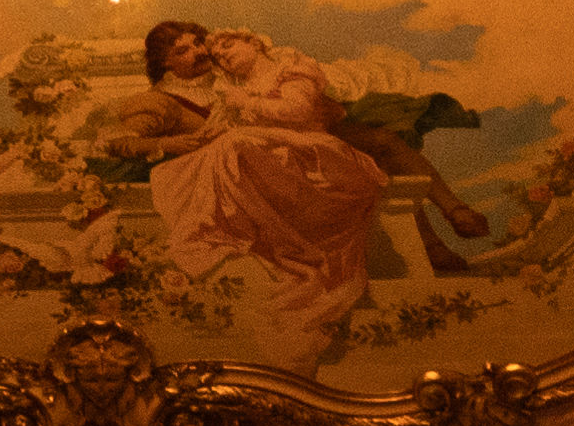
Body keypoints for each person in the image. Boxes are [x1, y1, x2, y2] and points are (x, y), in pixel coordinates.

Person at [129, 19, 398, 351]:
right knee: (190, 165)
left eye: (225, 47)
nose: (216, 55)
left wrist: (242, 103)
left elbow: (297, 110)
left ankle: (262, 239)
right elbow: (220, 129)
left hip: (318, 157)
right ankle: (229, 230)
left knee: (235, 145)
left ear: (254, 43)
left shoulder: (289, 70)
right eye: (218, 54)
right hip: (281, 157)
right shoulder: (232, 85)